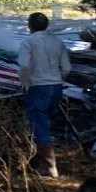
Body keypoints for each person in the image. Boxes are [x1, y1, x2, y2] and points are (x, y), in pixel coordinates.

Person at [18, 12, 71, 178]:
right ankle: (35, 160)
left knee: (40, 126)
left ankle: (50, 169)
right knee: (44, 123)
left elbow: (24, 66)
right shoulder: (58, 41)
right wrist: (58, 80)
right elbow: (67, 68)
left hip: (39, 88)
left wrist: (26, 84)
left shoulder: (28, 42)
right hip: (56, 88)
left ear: (30, 26)